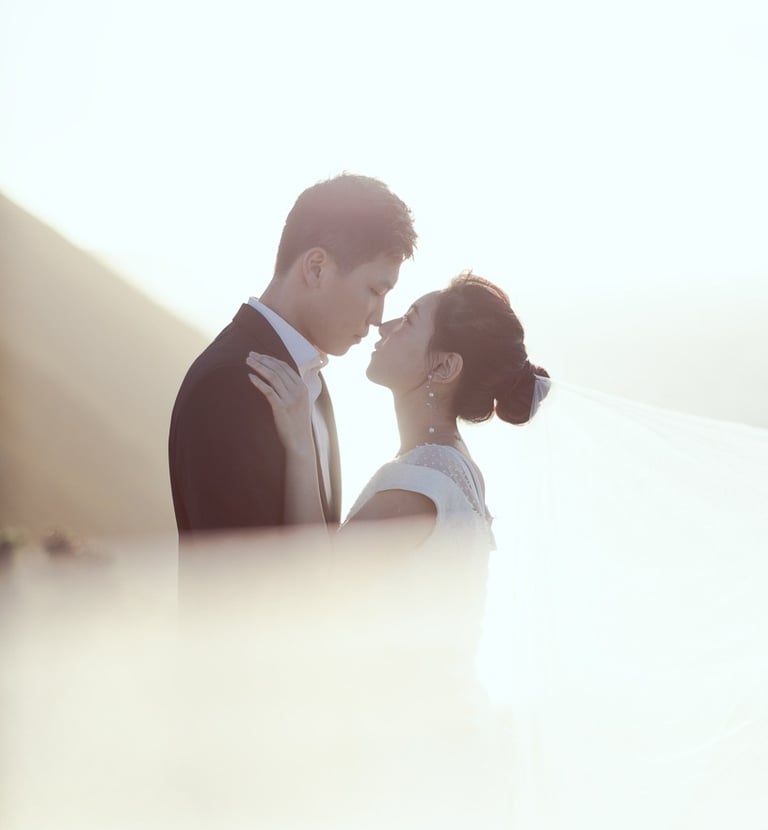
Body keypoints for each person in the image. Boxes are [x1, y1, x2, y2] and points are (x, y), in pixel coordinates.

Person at [168, 173, 417, 535]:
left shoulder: (309, 380)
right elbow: (238, 566)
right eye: (375, 291)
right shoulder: (232, 383)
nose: (378, 317)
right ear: (316, 268)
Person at [246, 271, 549, 551]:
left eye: (408, 320)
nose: (384, 326)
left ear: (444, 366)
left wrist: (300, 443)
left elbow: (314, 582)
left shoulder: (418, 485)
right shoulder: (456, 466)